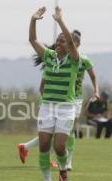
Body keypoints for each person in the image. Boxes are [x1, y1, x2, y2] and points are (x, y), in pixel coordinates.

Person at [18, 30, 100, 171]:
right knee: (57, 132)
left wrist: (96, 91)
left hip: (75, 100)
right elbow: (43, 85)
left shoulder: (83, 59)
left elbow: (93, 76)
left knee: (66, 131)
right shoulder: (54, 60)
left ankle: (62, 159)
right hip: (55, 101)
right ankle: (61, 161)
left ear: (77, 44)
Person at [29, 6, 80, 181]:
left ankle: (64, 167)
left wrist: (59, 21)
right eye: (57, 40)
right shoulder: (49, 57)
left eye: (63, 41)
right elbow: (33, 40)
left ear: (70, 45)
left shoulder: (75, 59)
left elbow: (72, 45)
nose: (58, 43)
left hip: (66, 108)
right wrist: (33, 20)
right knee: (43, 144)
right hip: (47, 106)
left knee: (59, 147)